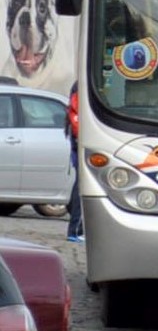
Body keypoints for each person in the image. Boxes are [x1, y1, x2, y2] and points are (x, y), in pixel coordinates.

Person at [65, 81, 83, 243]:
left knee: (80, 185)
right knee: (82, 186)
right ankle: (75, 229)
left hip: (77, 143)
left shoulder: (78, 87)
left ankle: (77, 228)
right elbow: (76, 119)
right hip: (80, 144)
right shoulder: (80, 88)